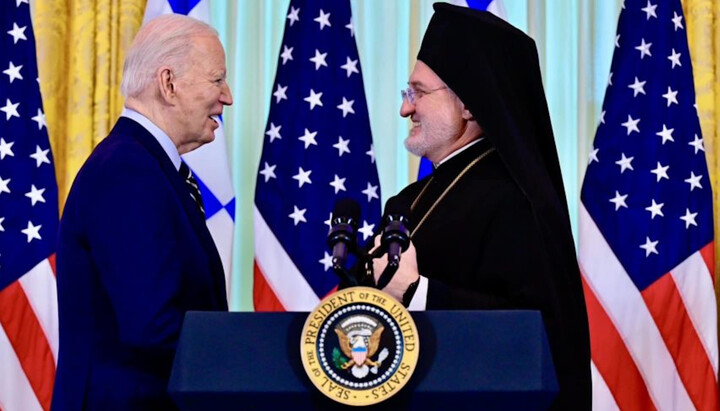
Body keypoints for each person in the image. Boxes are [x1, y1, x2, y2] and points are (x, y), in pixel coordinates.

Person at [369, 4, 590, 410]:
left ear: (470, 104)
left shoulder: (516, 202)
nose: (405, 108)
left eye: (417, 93)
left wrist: (417, 293)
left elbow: (532, 336)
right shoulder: (406, 202)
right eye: (408, 92)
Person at [52, 14, 232, 411]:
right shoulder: (128, 170)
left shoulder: (145, 165)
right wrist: (242, 359)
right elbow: (152, 324)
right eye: (217, 79)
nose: (228, 96)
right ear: (168, 83)